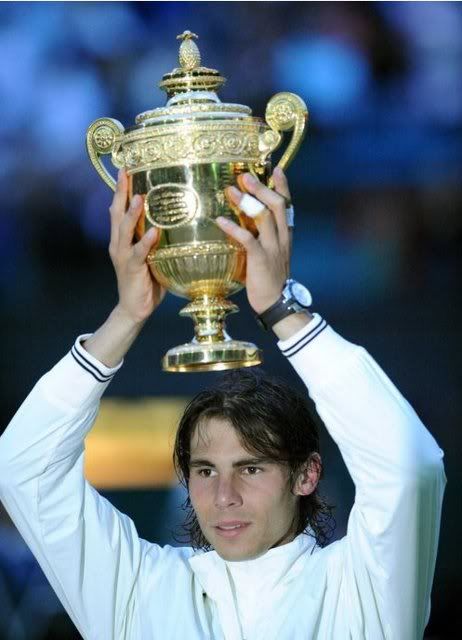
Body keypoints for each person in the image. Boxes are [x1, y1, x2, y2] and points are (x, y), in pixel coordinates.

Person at [0, 168, 446, 640]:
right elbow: (23, 468)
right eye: (205, 470)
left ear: (307, 474)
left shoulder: (361, 587)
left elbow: (407, 465)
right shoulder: (137, 589)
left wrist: (281, 310)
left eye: (251, 468)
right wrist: (126, 316)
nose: (224, 496)